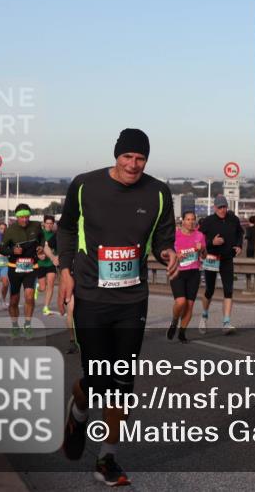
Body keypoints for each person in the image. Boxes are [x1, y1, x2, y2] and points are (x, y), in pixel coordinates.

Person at [57, 128, 177, 487]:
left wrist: (167, 252)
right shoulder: (84, 185)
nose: (133, 165)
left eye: (140, 159)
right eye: (127, 157)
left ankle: (107, 457)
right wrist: (65, 271)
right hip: (92, 296)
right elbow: (65, 229)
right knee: (95, 381)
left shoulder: (158, 192)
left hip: (132, 299)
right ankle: (77, 412)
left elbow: (162, 236)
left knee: (122, 382)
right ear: (116, 156)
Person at [197, 195, 244, 335]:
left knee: (228, 290)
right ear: (214, 208)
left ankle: (226, 322)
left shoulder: (233, 219)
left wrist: (239, 245)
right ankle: (204, 316)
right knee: (209, 290)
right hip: (212, 258)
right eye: (220, 207)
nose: (223, 210)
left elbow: (240, 233)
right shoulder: (208, 221)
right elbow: (199, 238)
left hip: (227, 258)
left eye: (225, 207)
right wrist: (212, 242)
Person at [0, 204, 45, 337]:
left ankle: (27, 324)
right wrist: (12, 251)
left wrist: (40, 247)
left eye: (27, 217)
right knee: (14, 300)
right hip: (14, 268)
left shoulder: (36, 226)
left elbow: (42, 238)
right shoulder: (10, 230)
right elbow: (2, 249)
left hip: (31, 267)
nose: (24, 220)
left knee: (29, 296)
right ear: (17, 217)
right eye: (21, 217)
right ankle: (15, 325)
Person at [168, 211, 204, 343]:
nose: (191, 222)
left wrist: (202, 250)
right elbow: (167, 254)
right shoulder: (175, 236)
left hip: (194, 272)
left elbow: (204, 256)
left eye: (193, 219)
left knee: (189, 305)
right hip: (177, 272)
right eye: (188, 219)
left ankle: (182, 332)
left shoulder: (199, 236)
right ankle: (174, 321)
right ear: (182, 221)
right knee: (181, 302)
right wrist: (176, 255)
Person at [36, 214, 60, 316]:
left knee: (50, 284)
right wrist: (38, 255)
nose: (49, 225)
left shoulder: (56, 235)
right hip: (41, 263)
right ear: (44, 223)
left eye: (51, 223)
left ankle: (46, 307)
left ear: (53, 224)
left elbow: (59, 249)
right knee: (42, 287)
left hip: (50, 263)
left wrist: (57, 257)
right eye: (47, 223)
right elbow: (34, 247)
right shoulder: (40, 234)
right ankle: (37, 288)